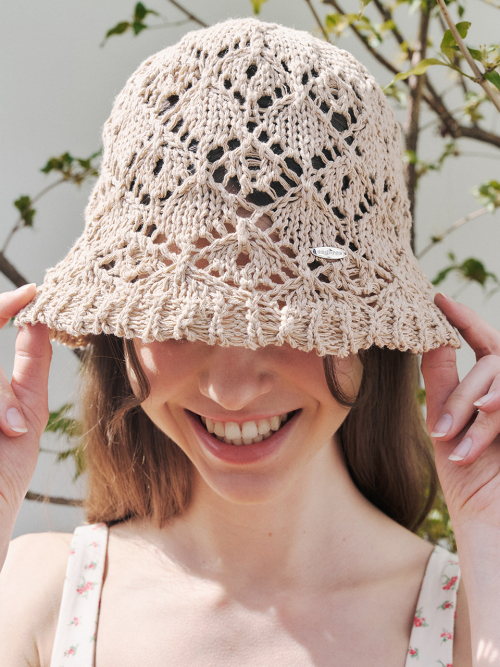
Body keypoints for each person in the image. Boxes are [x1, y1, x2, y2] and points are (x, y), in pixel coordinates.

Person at [0, 17, 499, 667]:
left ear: (368, 332)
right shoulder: (40, 595)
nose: (231, 389)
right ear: (120, 330)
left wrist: (490, 529)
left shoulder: (474, 614)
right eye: (184, 318)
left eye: (289, 314)